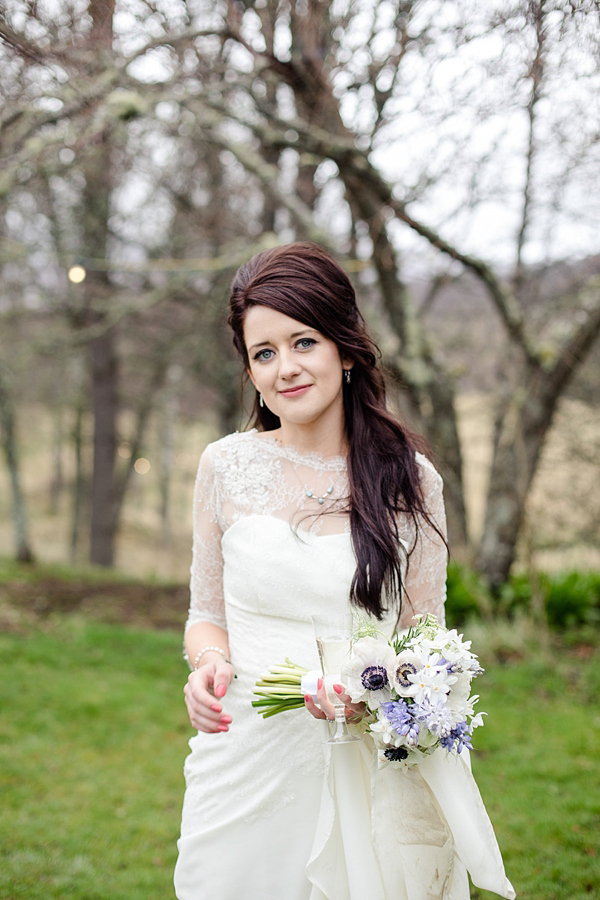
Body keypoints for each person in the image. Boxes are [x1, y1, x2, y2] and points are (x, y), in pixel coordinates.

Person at [174, 242, 515, 900]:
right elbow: (206, 615)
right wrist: (206, 666)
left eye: (303, 342)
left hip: (367, 757)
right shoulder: (225, 467)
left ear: (347, 349)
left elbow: (423, 631)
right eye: (263, 353)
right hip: (246, 761)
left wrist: (383, 691)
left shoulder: (411, 480)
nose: (285, 369)